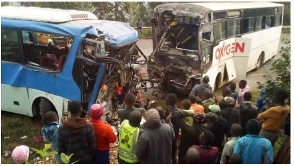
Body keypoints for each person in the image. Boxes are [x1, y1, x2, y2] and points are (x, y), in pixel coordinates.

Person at [165, 93, 182, 164]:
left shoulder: (165, 112)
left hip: (166, 137)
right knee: (173, 154)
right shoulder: (178, 113)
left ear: (167, 102)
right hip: (175, 136)